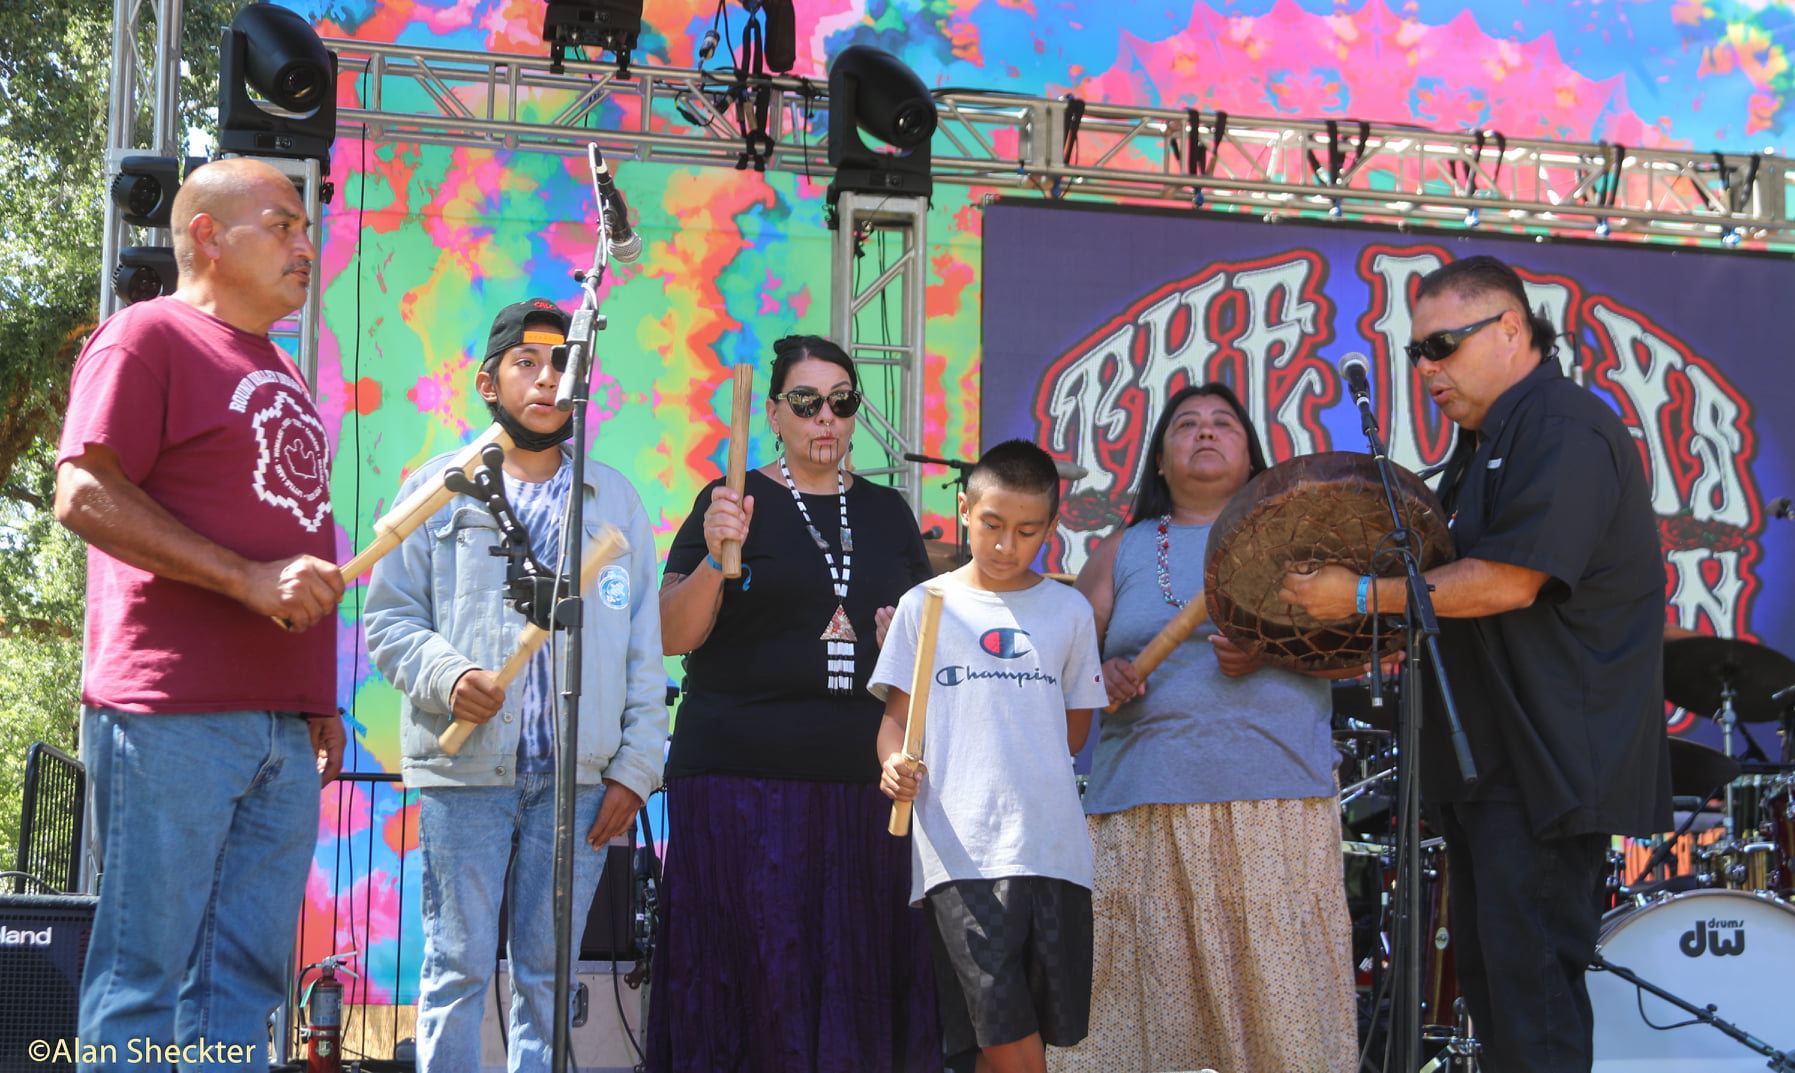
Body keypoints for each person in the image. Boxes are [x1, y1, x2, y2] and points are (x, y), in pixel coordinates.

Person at [1281, 254, 1670, 1072]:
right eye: (1414, 352)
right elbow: (1434, 589)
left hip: (1543, 763)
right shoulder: (1486, 441)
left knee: (1531, 1009)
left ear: (1510, 330)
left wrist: (1357, 596)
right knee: (1496, 999)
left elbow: (1507, 580)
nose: (1424, 368)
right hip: (1489, 761)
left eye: (1442, 345)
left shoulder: (1561, 426)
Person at [54, 157, 347, 1071]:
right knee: (143, 977)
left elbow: (293, 532)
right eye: (285, 224)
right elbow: (82, 492)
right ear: (209, 237)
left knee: (244, 987)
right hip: (168, 712)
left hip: (278, 728)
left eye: (307, 228)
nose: (307, 245)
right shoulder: (145, 335)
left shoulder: (281, 365)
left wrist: (315, 700)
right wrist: (245, 580)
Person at [363, 298, 667, 1071]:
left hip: (578, 785)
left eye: (562, 363)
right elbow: (389, 619)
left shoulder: (614, 502)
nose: (546, 378)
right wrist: (450, 674)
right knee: (456, 968)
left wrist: (633, 768)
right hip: (465, 775)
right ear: (487, 381)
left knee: (549, 975)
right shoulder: (437, 488)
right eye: (526, 363)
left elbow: (642, 651)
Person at [648, 335, 941, 1072]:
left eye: (842, 402)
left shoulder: (885, 512)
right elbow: (669, 633)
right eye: (806, 402)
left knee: (855, 969)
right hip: (738, 771)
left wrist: (893, 642)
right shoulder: (730, 497)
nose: (826, 418)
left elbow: (920, 655)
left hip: (859, 780)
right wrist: (717, 559)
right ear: (773, 413)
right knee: (748, 969)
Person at [1047, 383, 1358, 1073]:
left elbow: (1360, 651)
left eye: (1223, 423)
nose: (1205, 432)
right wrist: (1106, 675)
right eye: (1185, 424)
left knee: (1283, 1018)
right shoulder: (1120, 551)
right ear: (1160, 460)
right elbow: (1059, 663)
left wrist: (1271, 649)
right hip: (1144, 802)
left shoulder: (1299, 544)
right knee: (1134, 1015)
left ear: (1252, 457)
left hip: (1275, 798)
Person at [875, 439, 1110, 1073]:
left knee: (1013, 1031)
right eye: (993, 525)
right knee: (1006, 1030)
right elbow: (896, 720)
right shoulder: (924, 605)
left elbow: (1075, 733)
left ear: (1052, 530)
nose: (1008, 545)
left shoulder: (1069, 610)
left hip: (1054, 850)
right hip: (960, 850)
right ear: (964, 510)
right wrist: (893, 764)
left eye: (1028, 531)